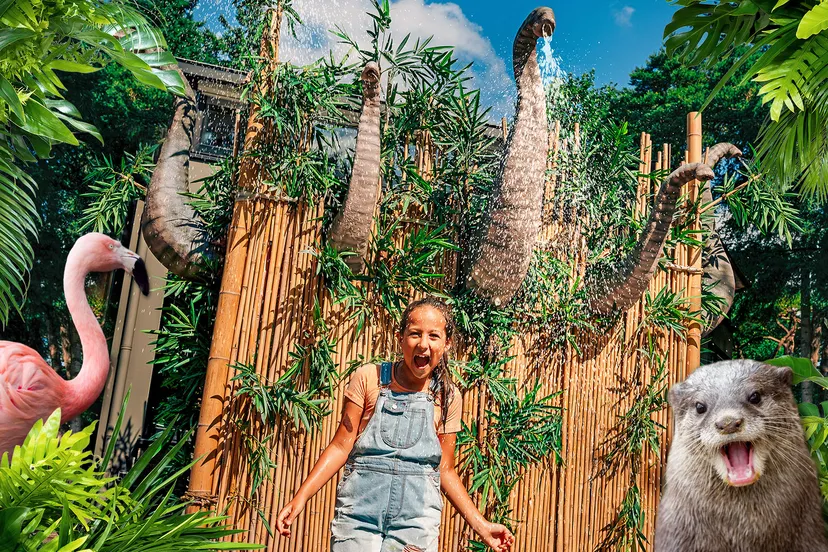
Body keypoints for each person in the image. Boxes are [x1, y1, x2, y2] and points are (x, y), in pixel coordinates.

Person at [276, 297, 515, 551]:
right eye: (415, 334)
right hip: (357, 518)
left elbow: (445, 470)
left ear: (446, 344)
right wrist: (300, 498)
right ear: (400, 337)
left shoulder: (447, 397)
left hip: (416, 524)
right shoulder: (369, 378)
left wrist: (481, 525)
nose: (423, 344)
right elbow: (340, 446)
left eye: (434, 336)